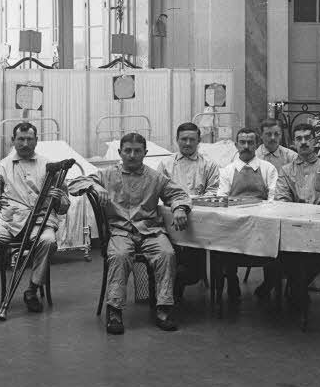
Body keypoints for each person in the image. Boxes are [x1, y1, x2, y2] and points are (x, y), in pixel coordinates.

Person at [89, 132, 191, 334]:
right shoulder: (107, 174)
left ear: (145, 152)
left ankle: (163, 309)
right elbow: (77, 183)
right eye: (128, 151)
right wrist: (95, 186)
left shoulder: (155, 177)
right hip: (120, 232)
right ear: (120, 152)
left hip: (150, 231)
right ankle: (115, 310)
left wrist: (179, 208)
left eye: (137, 151)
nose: (132, 155)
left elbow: (178, 193)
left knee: (166, 253)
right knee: (119, 255)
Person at [0, 122, 70, 324]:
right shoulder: (3, 167)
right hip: (9, 222)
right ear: (13, 140)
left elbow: (64, 207)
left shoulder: (50, 167)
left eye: (29, 139)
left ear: (36, 140)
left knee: (48, 241)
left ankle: (32, 290)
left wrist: (59, 199)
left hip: (39, 222)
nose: (25, 143)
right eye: (20, 139)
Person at [272, 123, 320, 308]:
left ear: (315, 141)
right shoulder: (286, 170)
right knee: (282, 249)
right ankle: (296, 288)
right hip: (294, 227)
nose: (303, 142)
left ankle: (296, 287)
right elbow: (281, 201)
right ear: (293, 143)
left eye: (307, 138)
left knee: (317, 255)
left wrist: (316, 219)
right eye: (299, 138)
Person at [157, 122, 221, 305]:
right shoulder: (166, 164)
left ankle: (185, 279)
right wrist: (176, 206)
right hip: (170, 219)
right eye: (183, 139)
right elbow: (159, 192)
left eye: (192, 139)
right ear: (176, 140)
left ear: (199, 141)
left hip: (198, 220)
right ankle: (171, 286)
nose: (187, 143)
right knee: (170, 252)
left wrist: (186, 205)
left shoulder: (209, 165)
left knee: (192, 263)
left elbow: (212, 194)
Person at [216, 127, 280, 300]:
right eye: (242, 142)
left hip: (262, 223)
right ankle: (232, 280)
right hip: (235, 224)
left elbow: (274, 198)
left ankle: (267, 285)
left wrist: (261, 214)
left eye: (250, 142)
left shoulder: (268, 169)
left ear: (257, 144)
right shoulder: (227, 170)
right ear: (236, 145)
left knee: (275, 246)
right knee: (224, 243)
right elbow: (222, 198)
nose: (246, 146)